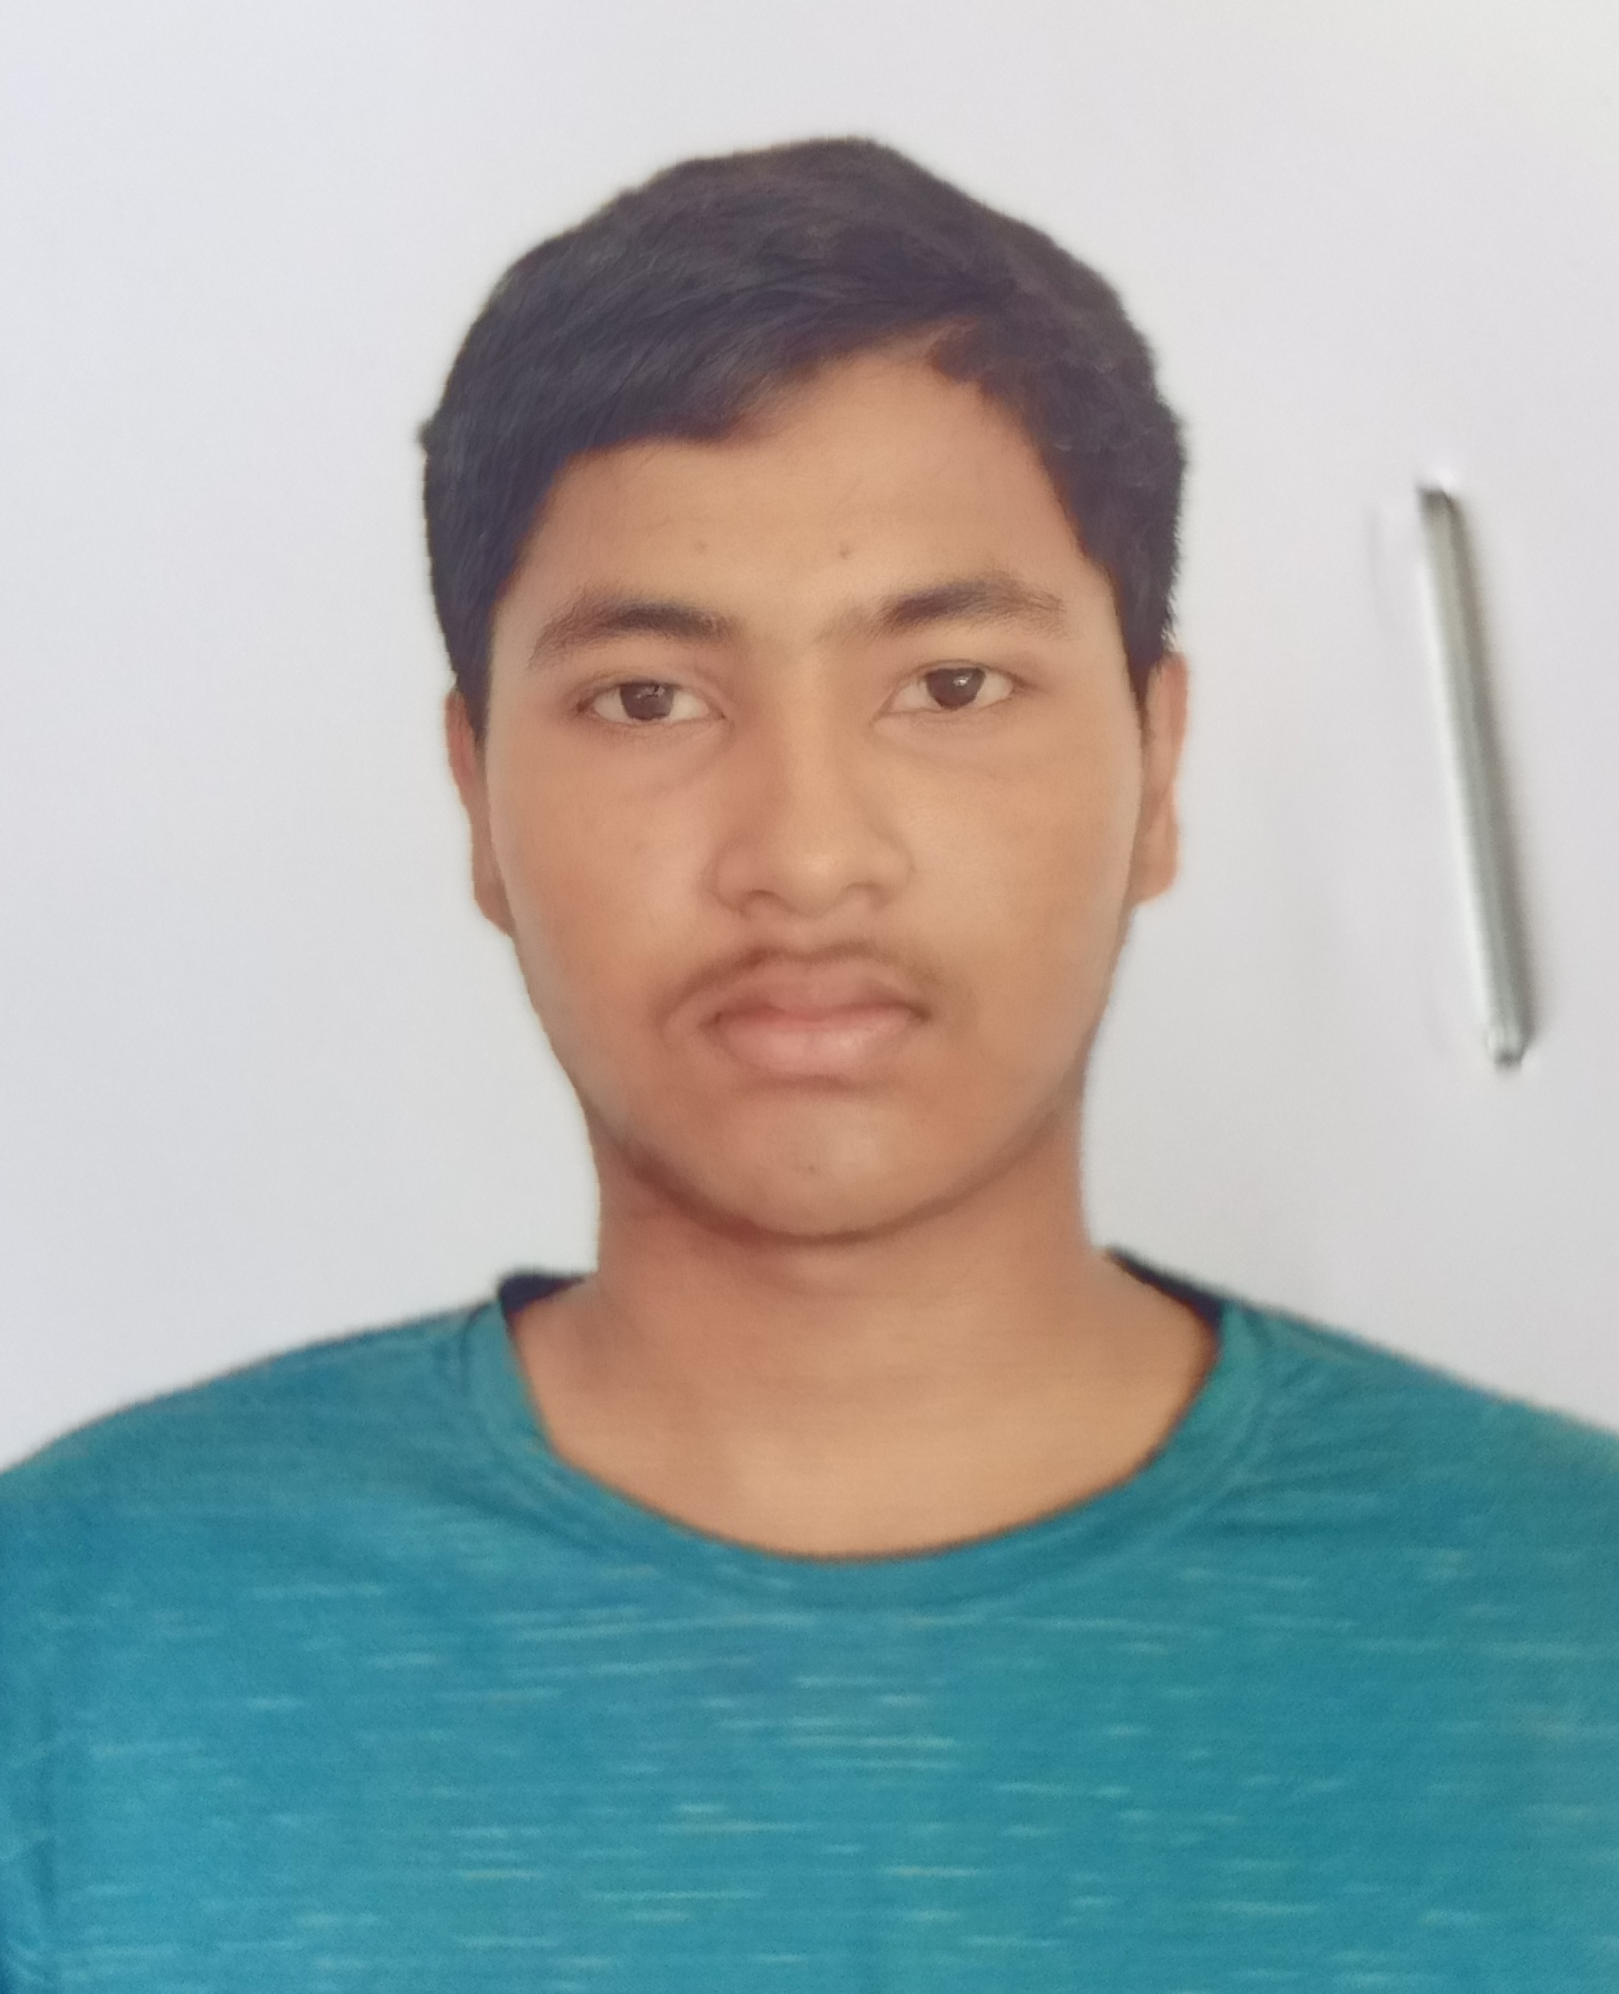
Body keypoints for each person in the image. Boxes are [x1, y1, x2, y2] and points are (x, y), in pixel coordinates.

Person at [2, 136, 1616, 1993]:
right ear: (476, 795)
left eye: (949, 685)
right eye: (648, 698)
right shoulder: (72, 1646)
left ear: (1157, 768)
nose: (806, 851)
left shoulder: (1570, 1618)